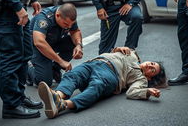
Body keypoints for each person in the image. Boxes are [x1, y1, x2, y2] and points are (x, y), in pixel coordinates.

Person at [38, 46, 167, 119]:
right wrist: (118, 48)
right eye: (151, 63)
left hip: (111, 74)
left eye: (152, 70)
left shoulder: (141, 79)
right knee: (73, 75)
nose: (149, 66)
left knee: (97, 85)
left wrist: (147, 91)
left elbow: (132, 92)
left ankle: (63, 105)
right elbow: (114, 51)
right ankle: (57, 95)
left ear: (150, 77)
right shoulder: (132, 53)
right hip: (95, 62)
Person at [27, 3, 83, 87]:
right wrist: (61, 61)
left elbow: (75, 31)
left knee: (73, 43)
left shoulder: (68, 18)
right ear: (57, 15)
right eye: (66, 24)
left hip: (53, 42)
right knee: (44, 82)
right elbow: (39, 42)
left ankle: (55, 69)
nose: (68, 27)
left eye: (71, 24)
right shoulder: (44, 18)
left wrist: (78, 45)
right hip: (37, 47)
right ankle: (28, 67)